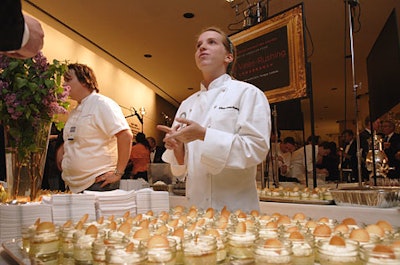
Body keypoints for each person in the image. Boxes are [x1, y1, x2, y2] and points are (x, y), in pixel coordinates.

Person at [157, 27, 271, 212]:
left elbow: (255, 149)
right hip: (196, 209)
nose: (202, 47)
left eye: (211, 42)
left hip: (236, 210)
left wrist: (204, 135)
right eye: (199, 45)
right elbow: (181, 170)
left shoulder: (248, 93)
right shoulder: (187, 104)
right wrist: (178, 149)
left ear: (229, 57)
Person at [58, 63, 133, 193]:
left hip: (98, 184)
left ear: (84, 81)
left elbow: (125, 136)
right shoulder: (75, 111)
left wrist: (118, 173)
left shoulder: (102, 104)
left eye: (68, 80)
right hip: (74, 185)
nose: (64, 85)